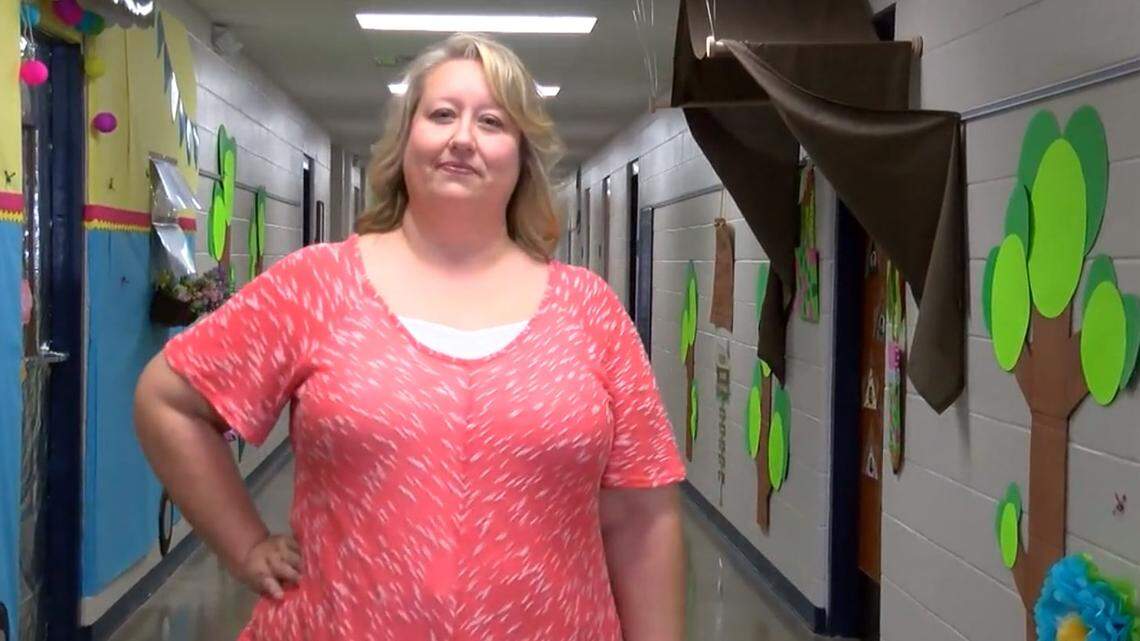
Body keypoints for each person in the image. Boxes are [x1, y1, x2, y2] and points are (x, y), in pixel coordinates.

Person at [134, 33, 686, 641]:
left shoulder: (590, 310)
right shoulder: (317, 286)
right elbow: (169, 401)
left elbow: (642, 517)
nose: (462, 138)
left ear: (522, 155)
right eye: (442, 114)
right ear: (406, 141)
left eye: (492, 121)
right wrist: (244, 546)